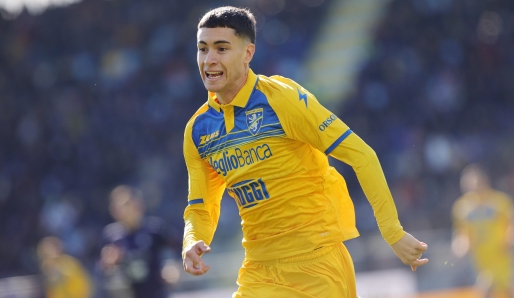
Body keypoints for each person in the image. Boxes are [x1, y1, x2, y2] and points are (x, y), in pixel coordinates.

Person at [181, 6, 428, 297]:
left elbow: (362, 155)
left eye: (221, 48)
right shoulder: (198, 130)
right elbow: (201, 206)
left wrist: (392, 232)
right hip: (259, 272)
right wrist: (192, 239)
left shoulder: (282, 100)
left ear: (248, 54)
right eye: (203, 49)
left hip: (317, 265)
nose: (209, 60)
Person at [100, 185, 179, 298]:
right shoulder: (111, 236)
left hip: (158, 293)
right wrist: (109, 265)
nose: (124, 209)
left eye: (126, 204)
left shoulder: (155, 228)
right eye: (118, 205)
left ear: (138, 204)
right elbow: (102, 271)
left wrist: (171, 265)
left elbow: (179, 248)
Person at [452, 164, 514, 298]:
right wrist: (459, 246)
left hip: (500, 255)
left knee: (496, 289)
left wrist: (509, 239)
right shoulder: (462, 207)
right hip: (481, 258)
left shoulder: (500, 201)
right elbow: (462, 233)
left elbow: (510, 223)